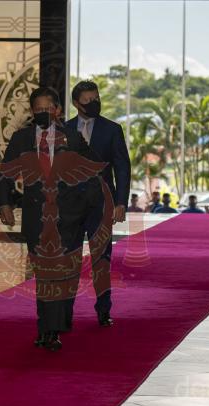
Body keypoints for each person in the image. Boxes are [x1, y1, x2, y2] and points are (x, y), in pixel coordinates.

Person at [0, 87, 111, 351]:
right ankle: (48, 329)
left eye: (47, 109)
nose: (42, 113)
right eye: (37, 109)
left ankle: (54, 327)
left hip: (69, 218)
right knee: (45, 275)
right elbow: (6, 172)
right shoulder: (21, 138)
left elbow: (96, 172)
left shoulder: (73, 138)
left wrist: (86, 205)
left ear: (58, 110)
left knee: (64, 275)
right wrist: (4, 203)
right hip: (36, 218)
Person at [65, 80, 130, 327]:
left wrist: (121, 202)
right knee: (69, 260)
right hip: (70, 207)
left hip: (101, 205)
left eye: (96, 99)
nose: (94, 103)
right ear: (76, 103)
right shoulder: (63, 129)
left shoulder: (112, 129)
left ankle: (103, 311)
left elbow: (122, 167)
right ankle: (64, 313)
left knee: (102, 260)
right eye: (88, 100)